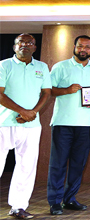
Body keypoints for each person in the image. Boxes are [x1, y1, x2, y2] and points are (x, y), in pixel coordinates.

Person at [47, 35, 90, 215]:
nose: (83, 50)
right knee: (58, 164)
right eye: (80, 46)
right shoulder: (60, 66)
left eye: (87, 47)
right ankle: (55, 201)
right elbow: (48, 90)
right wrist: (67, 90)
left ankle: (70, 199)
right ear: (74, 47)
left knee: (78, 164)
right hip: (63, 123)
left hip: (86, 124)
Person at [0, 33, 51, 219]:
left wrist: (33, 112)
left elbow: (46, 93)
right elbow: (0, 94)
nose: (25, 45)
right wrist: (23, 111)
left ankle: (18, 207)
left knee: (26, 167)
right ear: (14, 46)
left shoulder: (42, 67)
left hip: (32, 125)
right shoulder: (4, 65)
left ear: (35, 48)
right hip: (4, 123)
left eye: (30, 43)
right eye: (21, 42)